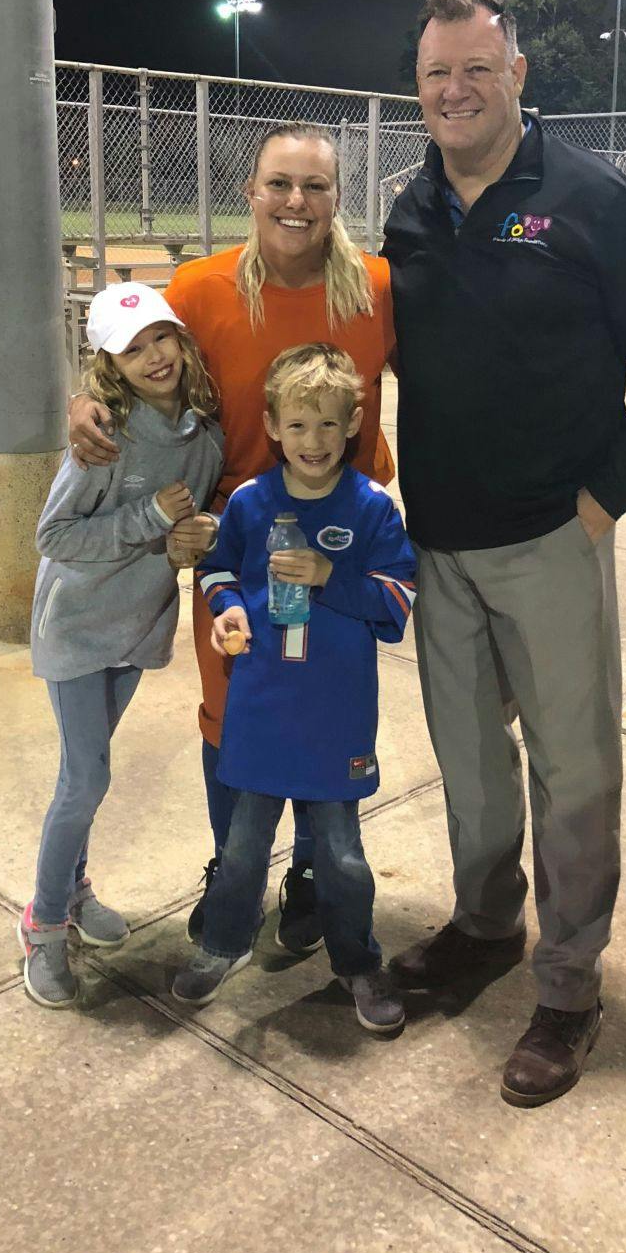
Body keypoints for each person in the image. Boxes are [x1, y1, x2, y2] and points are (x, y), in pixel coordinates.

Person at [383, 0, 626, 1105]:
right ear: (415, 86)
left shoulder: (591, 200)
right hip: (439, 548)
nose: (454, 89)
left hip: (549, 540)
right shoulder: (406, 209)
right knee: (472, 773)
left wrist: (603, 500)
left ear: (516, 74)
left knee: (573, 776)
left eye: (476, 67)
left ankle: (567, 986)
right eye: (434, 73)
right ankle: (482, 932)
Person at [67, 125, 396, 953]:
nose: (296, 202)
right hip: (234, 533)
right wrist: (81, 403)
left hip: (339, 536)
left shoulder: (377, 287)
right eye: (279, 184)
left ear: (334, 199)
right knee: (233, 707)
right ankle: (233, 867)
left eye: (314, 187)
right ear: (249, 192)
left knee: (325, 703)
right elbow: (137, 364)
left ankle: (316, 871)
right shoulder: (203, 287)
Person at [171, 344, 415, 1032]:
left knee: (340, 854)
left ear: (354, 424)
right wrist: (229, 612)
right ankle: (222, 940)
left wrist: (328, 577)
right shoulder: (250, 503)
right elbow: (215, 570)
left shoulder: (370, 510)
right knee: (244, 844)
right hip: (260, 707)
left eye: (330, 425)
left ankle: (356, 958)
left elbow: (396, 602)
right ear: (274, 426)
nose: (315, 441)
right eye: (299, 426)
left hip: (334, 715)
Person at [19, 282, 223, 1009]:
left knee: (88, 772)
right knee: (85, 780)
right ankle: (42, 924)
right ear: (109, 362)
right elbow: (53, 537)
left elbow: (189, 533)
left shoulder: (203, 436)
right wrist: (146, 516)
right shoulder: (106, 436)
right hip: (74, 628)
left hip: (133, 629)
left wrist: (194, 540)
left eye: (161, 337)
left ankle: (73, 891)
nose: (153, 356)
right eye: (132, 349)